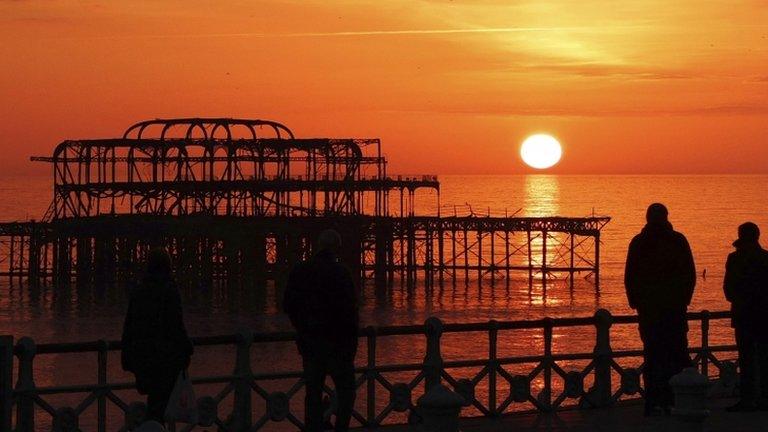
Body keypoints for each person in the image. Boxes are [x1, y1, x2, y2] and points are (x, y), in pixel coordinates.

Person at [284, 229, 359, 432]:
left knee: (313, 392)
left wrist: (301, 329)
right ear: (337, 249)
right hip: (338, 345)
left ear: (317, 246)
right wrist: (352, 346)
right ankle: (340, 427)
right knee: (346, 390)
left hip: (310, 344)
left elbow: (288, 304)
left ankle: (312, 427)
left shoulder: (300, 270)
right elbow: (351, 312)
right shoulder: (341, 273)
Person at [624, 203, 696, 415]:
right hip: (674, 309)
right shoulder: (678, 240)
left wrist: (636, 302)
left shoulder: (639, 242)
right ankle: (675, 398)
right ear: (666, 217)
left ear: (647, 218)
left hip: (650, 311)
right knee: (676, 353)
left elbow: (630, 276)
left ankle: (653, 400)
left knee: (653, 356)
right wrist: (683, 300)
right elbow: (689, 274)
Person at [122, 248, 193, 424]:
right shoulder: (169, 290)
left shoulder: (138, 290)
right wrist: (187, 348)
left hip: (142, 358)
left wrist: (127, 357)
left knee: (154, 407)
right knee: (160, 409)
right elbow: (176, 326)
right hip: (164, 360)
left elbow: (129, 325)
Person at [723, 222, 768, 411]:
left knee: (746, 359)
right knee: (765, 357)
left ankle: (748, 398)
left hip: (743, 316)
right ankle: (764, 398)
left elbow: (728, 289)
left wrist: (740, 299)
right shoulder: (766, 259)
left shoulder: (734, 259)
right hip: (765, 315)